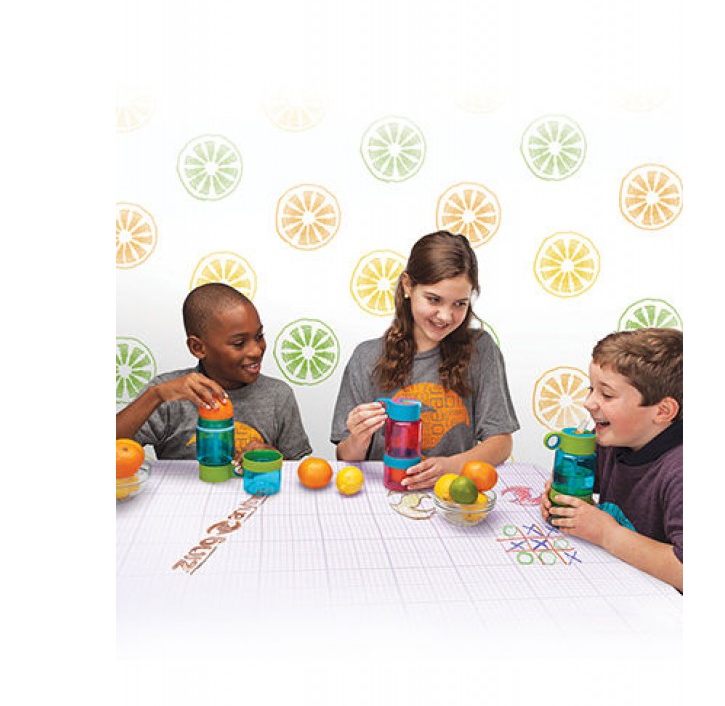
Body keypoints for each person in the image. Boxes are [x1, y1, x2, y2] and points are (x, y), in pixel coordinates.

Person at [331, 231, 519, 490]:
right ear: (408, 286)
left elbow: (501, 442)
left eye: (459, 304)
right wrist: (358, 438)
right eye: (434, 299)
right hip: (383, 492)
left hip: (452, 493)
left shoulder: (480, 350)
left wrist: (451, 466)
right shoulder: (366, 357)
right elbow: (344, 455)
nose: (445, 316)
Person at [540, 328, 683, 591]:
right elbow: (580, 478)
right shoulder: (612, 439)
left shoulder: (680, 472)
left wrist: (607, 534)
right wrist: (561, 491)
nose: (588, 403)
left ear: (663, 411)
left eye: (606, 395)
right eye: (591, 389)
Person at [116, 283, 312, 461]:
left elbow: (296, 470)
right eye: (239, 343)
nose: (256, 351)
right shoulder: (166, 394)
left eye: (259, 336)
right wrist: (156, 395)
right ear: (198, 348)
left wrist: (271, 457)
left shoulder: (278, 395)